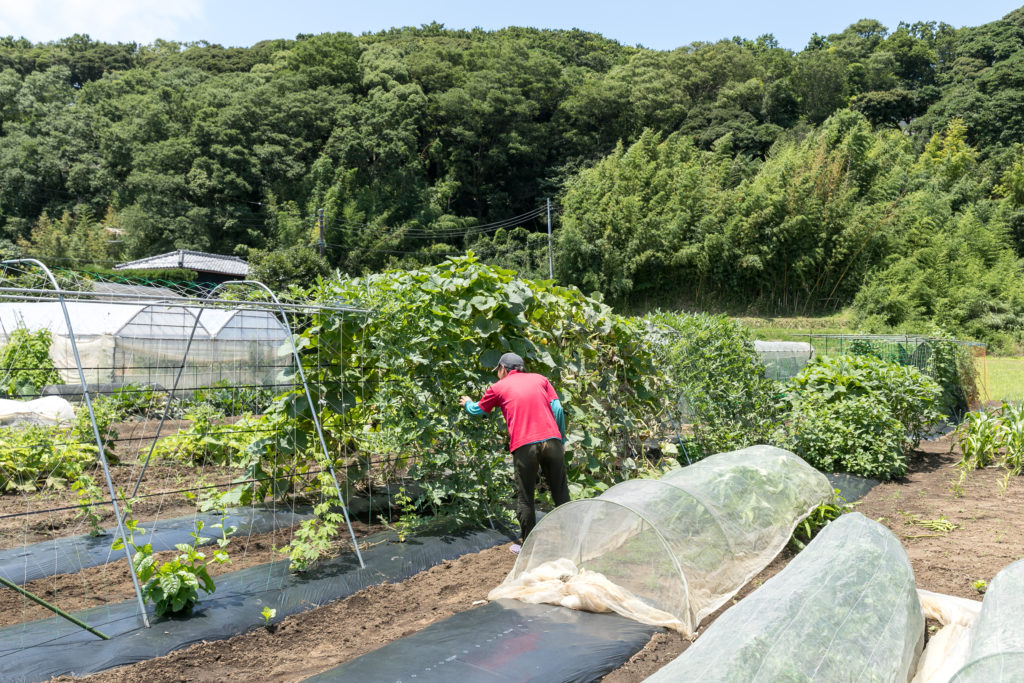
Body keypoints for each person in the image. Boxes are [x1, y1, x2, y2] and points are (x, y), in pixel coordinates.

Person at [459, 352, 570, 546]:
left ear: (503, 369)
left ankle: (528, 547)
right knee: (561, 491)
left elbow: (478, 410)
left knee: (526, 498)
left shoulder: (498, 387)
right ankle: (572, 539)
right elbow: (557, 409)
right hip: (552, 440)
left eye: (498, 371)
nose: (497, 375)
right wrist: (559, 439)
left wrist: (467, 403)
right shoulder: (540, 379)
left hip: (525, 445)